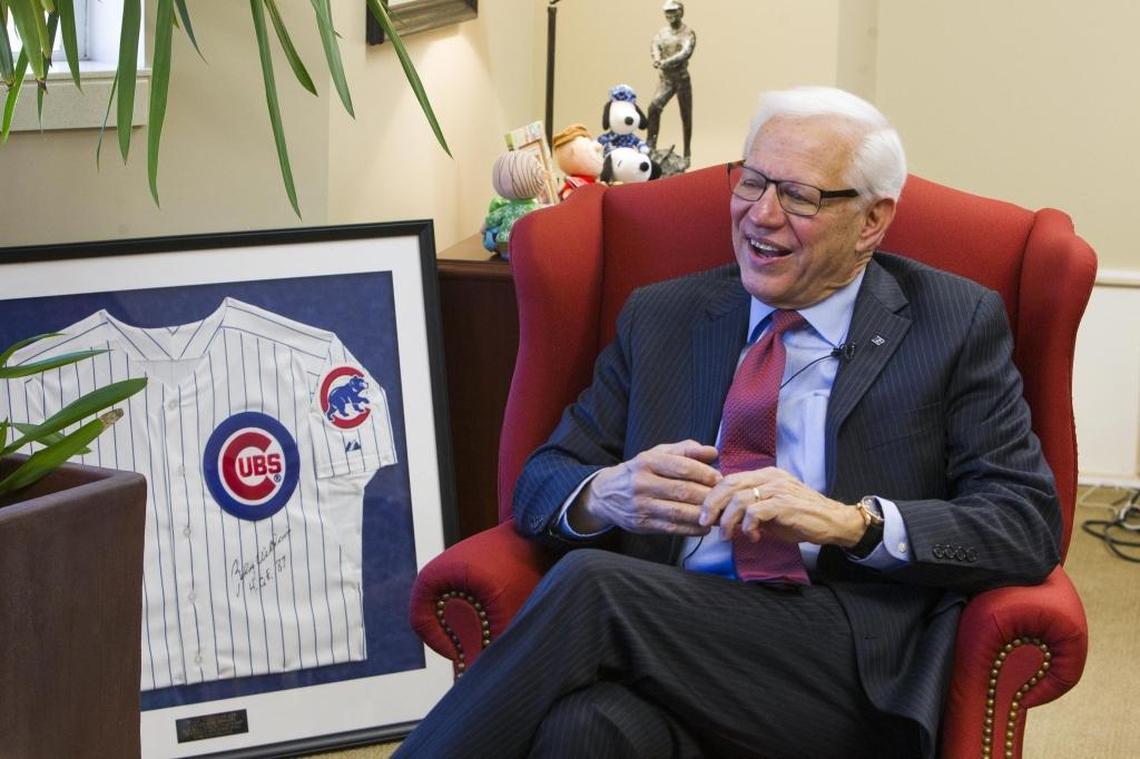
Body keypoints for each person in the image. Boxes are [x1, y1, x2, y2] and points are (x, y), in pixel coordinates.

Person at [395, 86, 1061, 758]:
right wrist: (606, 493)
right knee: (585, 730)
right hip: (666, 630)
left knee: (593, 588)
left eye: (799, 196)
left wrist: (852, 522)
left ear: (871, 221)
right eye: (751, 182)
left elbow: (1026, 521)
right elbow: (541, 482)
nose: (761, 215)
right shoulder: (663, 316)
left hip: (842, 661)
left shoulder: (951, 324)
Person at [646, 0, 696, 170]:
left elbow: (685, 53)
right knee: (653, 108)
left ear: (681, 12)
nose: (670, 16)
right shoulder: (662, 33)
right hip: (666, 81)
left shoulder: (688, 33)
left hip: (682, 80)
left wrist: (665, 62)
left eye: (673, 12)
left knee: (686, 117)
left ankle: (687, 153)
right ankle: (650, 146)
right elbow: (655, 45)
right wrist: (656, 58)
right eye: (667, 13)